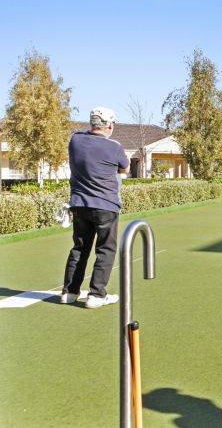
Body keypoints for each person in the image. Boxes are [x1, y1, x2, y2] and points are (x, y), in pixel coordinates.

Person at [60, 107, 129, 309]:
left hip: (80, 204)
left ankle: (69, 292)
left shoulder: (75, 141)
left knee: (80, 248)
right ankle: (97, 295)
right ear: (109, 125)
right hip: (106, 205)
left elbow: (83, 135)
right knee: (105, 249)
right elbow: (124, 167)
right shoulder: (114, 147)